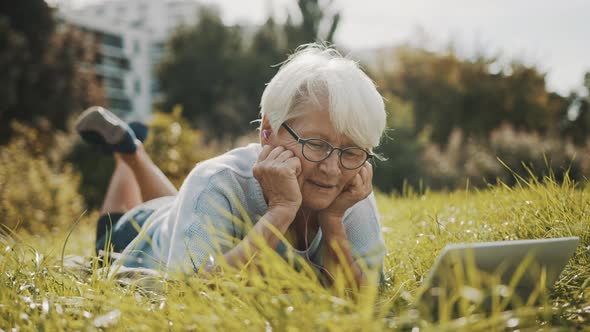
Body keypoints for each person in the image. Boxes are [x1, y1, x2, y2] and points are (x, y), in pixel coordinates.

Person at [75, 44, 387, 288]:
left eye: (351, 150)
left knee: (177, 204)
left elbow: (365, 300)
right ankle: (128, 154)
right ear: (268, 131)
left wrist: (333, 222)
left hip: (182, 211)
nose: (332, 168)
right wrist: (280, 211)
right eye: (316, 144)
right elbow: (191, 292)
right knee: (110, 233)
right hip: (140, 230)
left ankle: (131, 148)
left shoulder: (350, 191)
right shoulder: (215, 181)